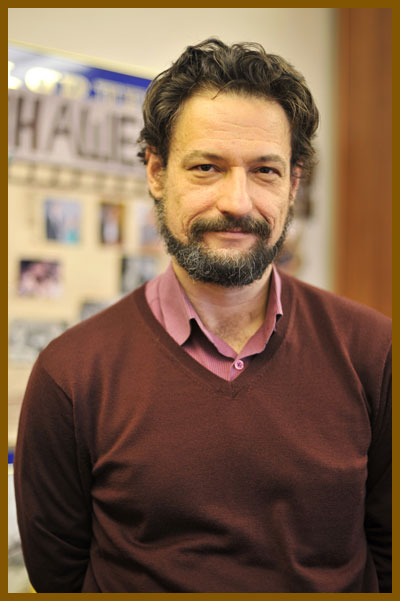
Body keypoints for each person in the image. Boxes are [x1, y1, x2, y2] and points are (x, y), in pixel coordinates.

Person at [14, 38, 391, 593]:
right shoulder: (70, 374)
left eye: (265, 170)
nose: (237, 201)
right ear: (157, 172)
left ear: (293, 183)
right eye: (207, 167)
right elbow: (59, 575)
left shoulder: (373, 351)